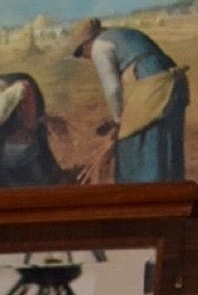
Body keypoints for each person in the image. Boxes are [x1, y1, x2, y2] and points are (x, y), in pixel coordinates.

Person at [68, 16, 189, 183]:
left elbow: (113, 90)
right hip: (170, 85)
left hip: (152, 88)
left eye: (81, 53)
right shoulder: (121, 34)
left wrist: (118, 121)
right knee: (166, 148)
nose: (86, 58)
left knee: (133, 148)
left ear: (86, 44)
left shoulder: (99, 46)